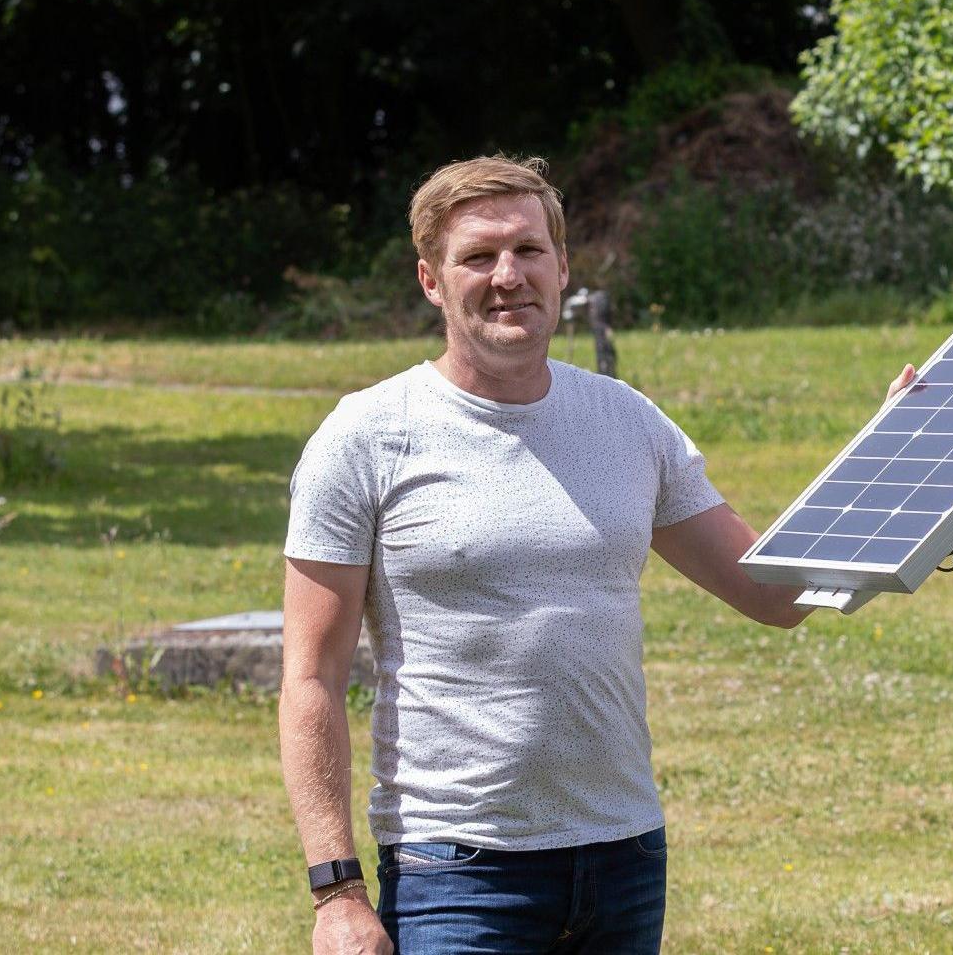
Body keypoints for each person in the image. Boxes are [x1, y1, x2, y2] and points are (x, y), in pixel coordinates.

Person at [278, 156, 833, 954]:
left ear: (563, 267)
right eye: (478, 256)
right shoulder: (366, 437)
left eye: (529, 251)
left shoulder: (626, 421)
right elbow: (311, 679)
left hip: (625, 857)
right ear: (432, 280)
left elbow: (773, 595)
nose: (509, 276)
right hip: (455, 871)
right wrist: (336, 891)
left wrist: (899, 463)